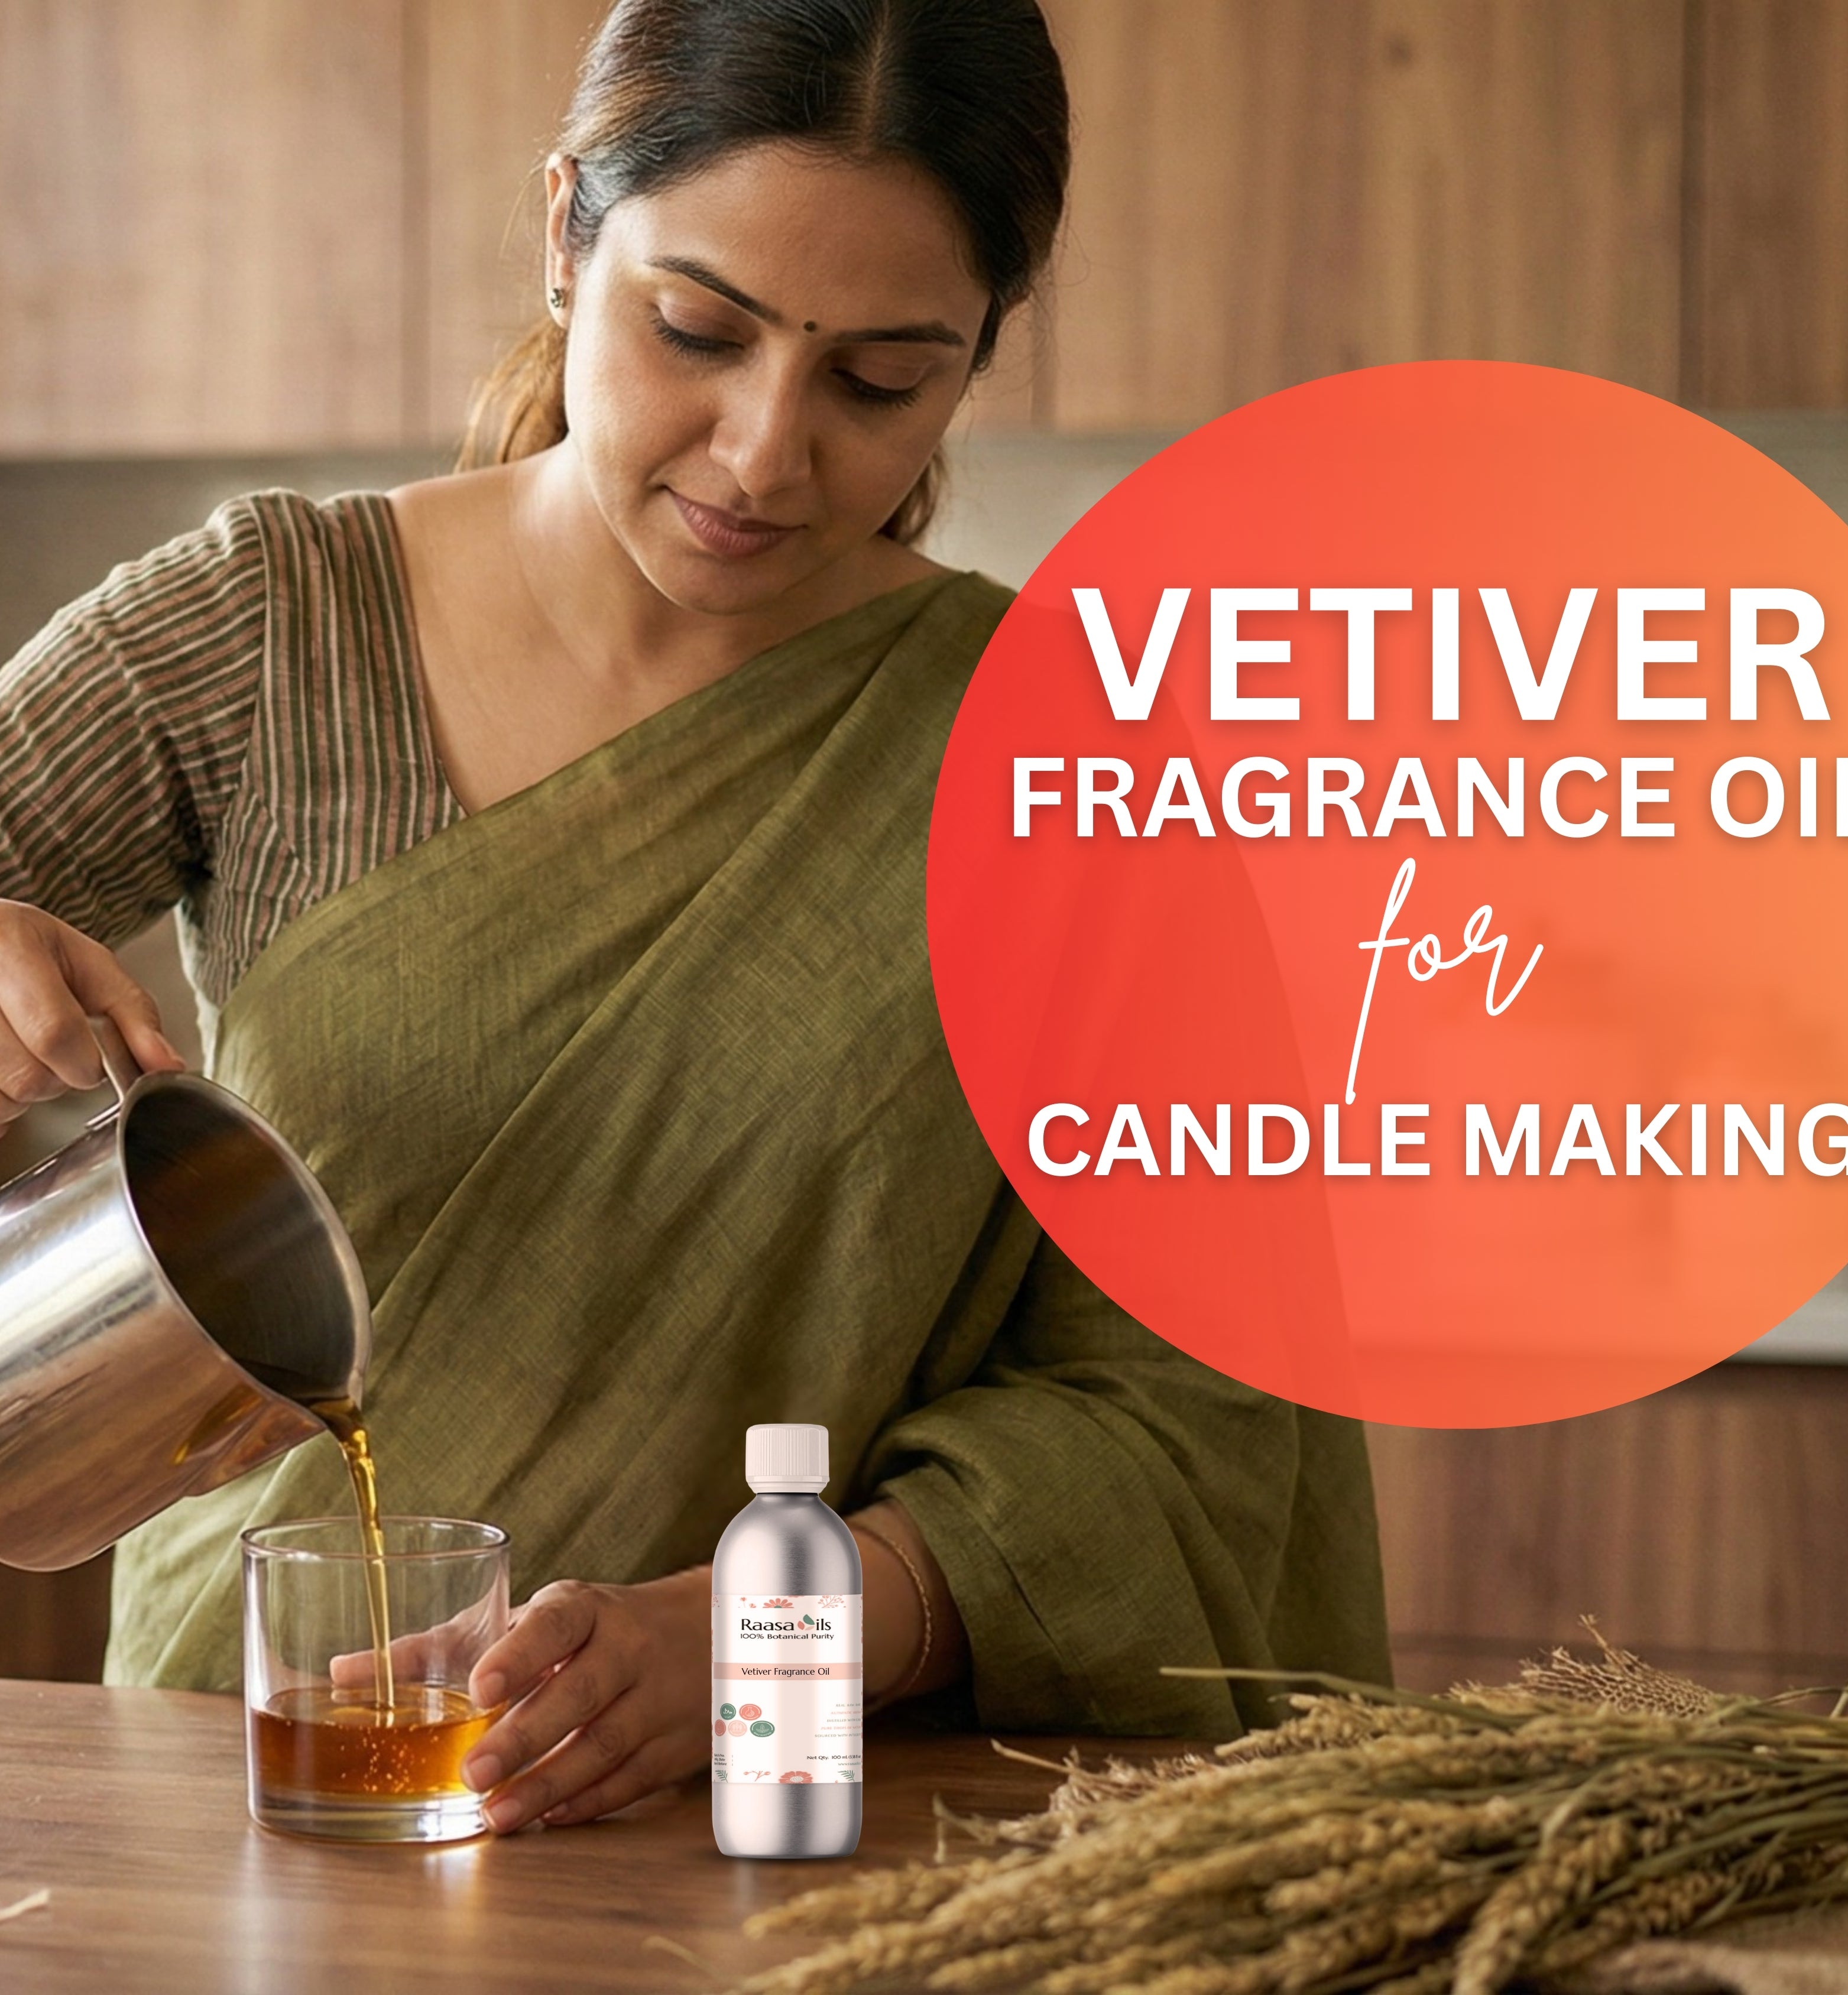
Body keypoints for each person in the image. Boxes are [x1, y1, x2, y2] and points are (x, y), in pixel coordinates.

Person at [0, 0, 1389, 1834]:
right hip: (255, 1786)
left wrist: (768, 1628)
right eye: (697, 333)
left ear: (981, 353)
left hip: (783, 1826)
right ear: (570, 230)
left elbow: (1192, 1424)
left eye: (879, 382)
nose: (762, 454)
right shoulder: (271, 629)